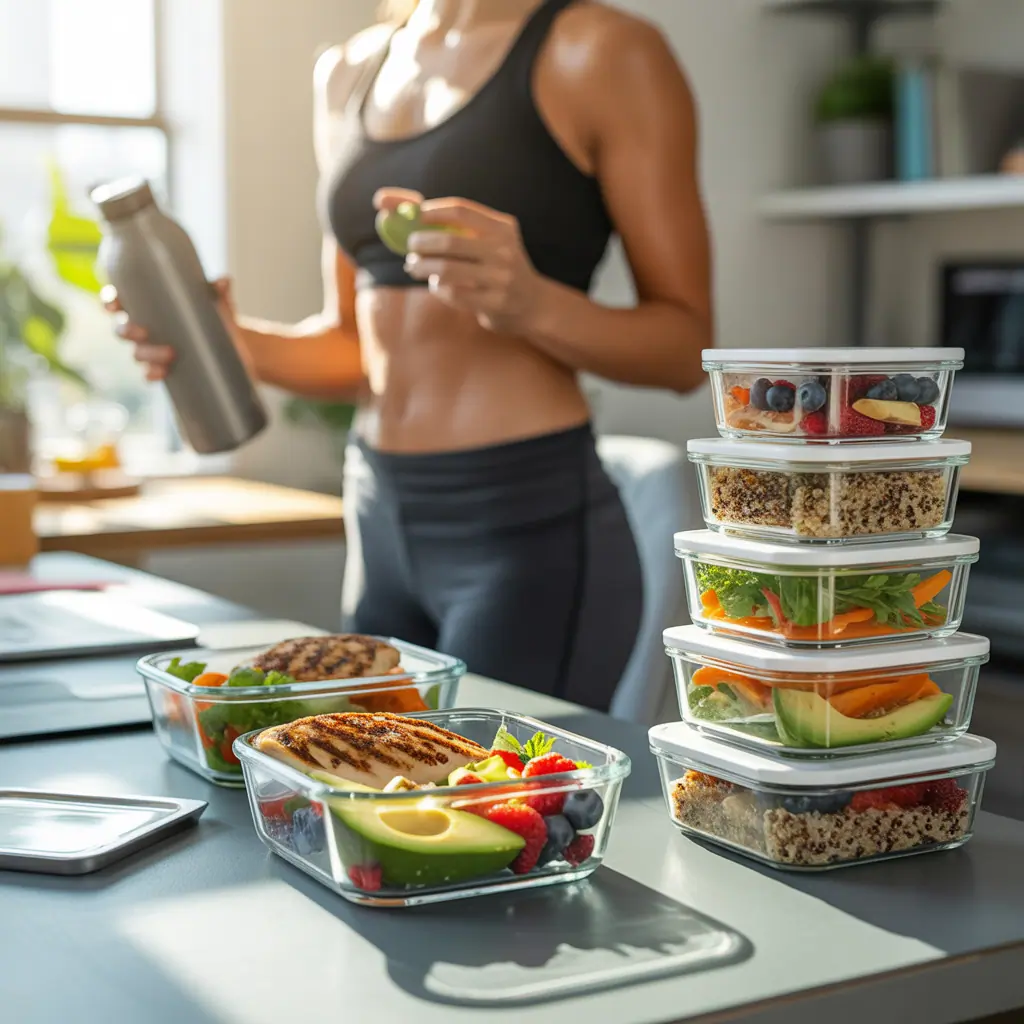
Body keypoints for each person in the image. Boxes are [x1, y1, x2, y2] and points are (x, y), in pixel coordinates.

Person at [106, 0, 713, 712]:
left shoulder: (603, 52)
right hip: (378, 512)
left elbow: (685, 348)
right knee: (354, 772)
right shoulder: (350, 71)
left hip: (525, 525)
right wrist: (231, 343)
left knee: (489, 782)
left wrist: (532, 304)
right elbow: (354, 345)